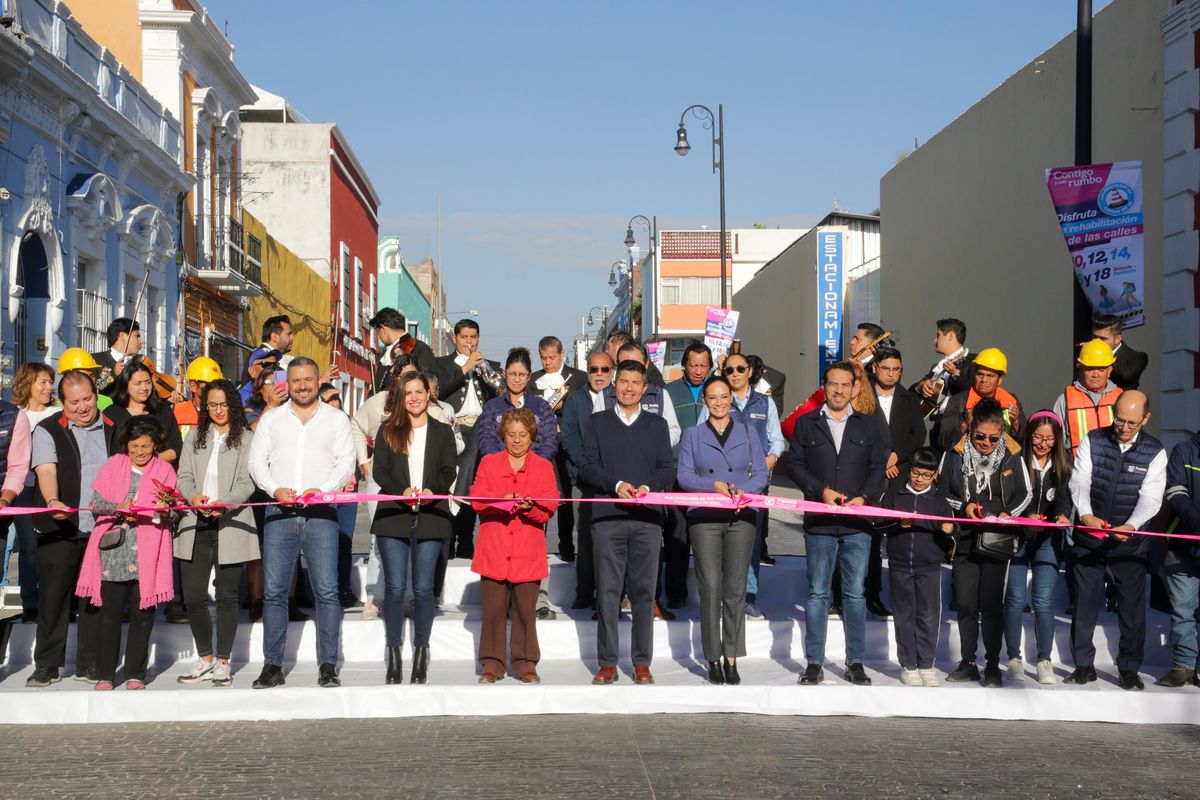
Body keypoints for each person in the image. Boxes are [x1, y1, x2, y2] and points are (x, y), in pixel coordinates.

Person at [247, 357, 356, 689]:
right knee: (275, 592)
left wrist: (321, 491)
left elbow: (346, 462)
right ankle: (272, 665)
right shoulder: (272, 420)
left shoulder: (336, 420)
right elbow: (256, 460)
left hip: (321, 513)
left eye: (309, 379)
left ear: (316, 381)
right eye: (296, 381)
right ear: (288, 383)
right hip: (279, 513)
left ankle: (327, 665)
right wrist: (273, 488)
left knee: (327, 591)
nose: (303, 386)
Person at [786, 361, 889, 686]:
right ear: (825, 386)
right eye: (833, 384)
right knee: (817, 594)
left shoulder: (868, 426)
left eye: (845, 385)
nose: (839, 390)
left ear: (855, 388)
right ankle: (814, 663)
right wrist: (820, 491)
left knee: (855, 594)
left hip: (858, 523)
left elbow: (877, 469)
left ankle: (855, 662)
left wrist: (866, 498)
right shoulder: (806, 424)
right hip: (819, 521)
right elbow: (795, 465)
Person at [580, 360, 674, 685]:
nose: (629, 388)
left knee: (644, 592)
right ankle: (607, 663)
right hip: (608, 518)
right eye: (624, 382)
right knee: (607, 591)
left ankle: (641, 663)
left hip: (647, 519)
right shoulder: (597, 423)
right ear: (614, 385)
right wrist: (615, 485)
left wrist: (648, 488)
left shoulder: (657, 425)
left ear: (645, 388)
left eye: (636, 383)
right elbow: (587, 467)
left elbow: (667, 468)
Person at [1065, 390, 1165, 691]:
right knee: (1084, 602)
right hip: (1090, 534)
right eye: (1119, 420)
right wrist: (1085, 514)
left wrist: (1132, 525)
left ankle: (1129, 668)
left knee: (1132, 610)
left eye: (1131, 423)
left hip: (1130, 541)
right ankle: (1083, 666)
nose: (1123, 427)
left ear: (1145, 419)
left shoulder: (1155, 451)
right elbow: (1079, 480)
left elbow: (1151, 498)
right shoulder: (1093, 439)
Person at [676, 375, 769, 685]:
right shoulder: (692, 434)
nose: (718, 403)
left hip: (742, 516)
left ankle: (732, 657)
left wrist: (744, 492)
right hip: (704, 516)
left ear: (732, 399)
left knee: (735, 589)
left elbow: (761, 473)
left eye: (724, 397)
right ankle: (712, 657)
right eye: (712, 397)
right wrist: (713, 487)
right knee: (711, 587)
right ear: (705, 400)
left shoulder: (749, 431)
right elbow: (685, 476)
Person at [25, 371, 115, 688]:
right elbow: (46, 470)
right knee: (53, 597)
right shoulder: (48, 430)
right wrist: (53, 501)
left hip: (102, 528)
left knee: (93, 599)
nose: (82, 407)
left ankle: (88, 663)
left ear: (96, 395)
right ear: (62, 403)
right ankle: (48, 665)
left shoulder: (113, 427)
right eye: (74, 402)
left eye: (87, 399)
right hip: (59, 527)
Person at [74, 416, 176, 690]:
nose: (140, 452)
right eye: (134, 446)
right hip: (113, 551)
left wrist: (165, 510)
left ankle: (135, 673)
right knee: (109, 616)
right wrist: (118, 506)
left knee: (143, 615)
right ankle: (105, 673)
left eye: (145, 446)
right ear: (126, 445)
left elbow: (172, 506)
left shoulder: (165, 469)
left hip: (148, 552)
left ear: (155, 444)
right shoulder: (113, 465)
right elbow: (94, 503)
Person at [370, 370, 458, 684]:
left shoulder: (442, 431)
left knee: (423, 589)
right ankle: (394, 654)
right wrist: (401, 489)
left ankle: (421, 652)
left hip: (432, 514)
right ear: (400, 398)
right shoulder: (387, 430)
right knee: (394, 588)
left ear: (428, 394)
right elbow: (379, 469)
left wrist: (434, 488)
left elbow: (449, 469)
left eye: (419, 391)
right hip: (394, 512)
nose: (415, 398)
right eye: (408, 393)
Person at [940, 398, 1033, 688]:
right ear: (970, 429)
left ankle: (992, 664)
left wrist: (1006, 515)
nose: (986, 443)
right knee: (967, 604)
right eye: (980, 436)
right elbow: (941, 492)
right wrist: (964, 506)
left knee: (991, 605)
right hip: (965, 538)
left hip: (996, 539)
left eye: (994, 438)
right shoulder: (954, 454)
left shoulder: (1012, 455)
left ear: (1002, 434)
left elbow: (1026, 495)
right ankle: (968, 661)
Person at [174, 379, 259, 687]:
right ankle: (205, 657)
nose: (219, 410)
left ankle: (223, 660)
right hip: (195, 524)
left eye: (224, 404)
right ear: (205, 406)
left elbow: (249, 482)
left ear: (233, 406)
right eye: (212, 405)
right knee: (194, 595)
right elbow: (183, 475)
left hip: (230, 521)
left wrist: (227, 503)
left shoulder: (247, 438)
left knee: (227, 595)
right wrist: (192, 496)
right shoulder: (195, 436)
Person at [471, 407, 560, 683]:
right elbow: (476, 500)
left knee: (525, 612)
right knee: (493, 611)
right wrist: (503, 499)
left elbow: (550, 508)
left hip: (527, 552)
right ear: (503, 436)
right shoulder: (489, 463)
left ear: (532, 436)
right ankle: (492, 664)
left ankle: (525, 663)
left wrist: (530, 507)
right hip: (494, 550)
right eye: (511, 434)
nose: (517, 440)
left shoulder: (544, 467)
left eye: (523, 434)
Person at [698, 351, 785, 618]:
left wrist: (768, 462)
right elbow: (700, 437)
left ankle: (747, 597)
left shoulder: (764, 403)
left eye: (740, 369)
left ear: (750, 371)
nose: (735, 374)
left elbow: (777, 440)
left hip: (754, 486)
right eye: (729, 370)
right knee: (721, 541)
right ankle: (723, 595)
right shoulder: (717, 401)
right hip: (722, 486)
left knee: (751, 542)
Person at [605, 341, 681, 619]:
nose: (630, 376)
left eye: (636, 364)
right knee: (616, 543)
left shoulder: (660, 394)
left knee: (650, 543)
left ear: (646, 367)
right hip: (616, 480)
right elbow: (597, 435)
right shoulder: (607, 395)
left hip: (650, 478)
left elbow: (673, 430)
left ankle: (650, 599)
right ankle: (620, 597)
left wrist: (652, 446)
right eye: (624, 365)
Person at [1002, 410, 1073, 685]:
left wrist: (1061, 516)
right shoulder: (1016, 460)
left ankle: (1044, 659)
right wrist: (1026, 515)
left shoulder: (1064, 462)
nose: (1043, 444)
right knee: (1015, 599)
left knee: (1043, 601)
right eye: (1038, 437)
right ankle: (1013, 657)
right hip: (1019, 536)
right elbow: (1009, 496)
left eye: (1049, 439)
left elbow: (1064, 497)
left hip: (1048, 539)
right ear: (1029, 435)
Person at [879, 447, 954, 687]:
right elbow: (878, 523)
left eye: (926, 475)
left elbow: (951, 537)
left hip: (929, 566)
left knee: (928, 616)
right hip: (900, 564)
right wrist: (897, 523)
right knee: (904, 616)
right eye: (915, 473)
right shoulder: (894, 494)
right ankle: (908, 665)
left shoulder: (940, 501)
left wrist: (950, 531)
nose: (919, 479)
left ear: (935, 477)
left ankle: (926, 665)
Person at [435, 319, 500, 559]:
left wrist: (485, 372)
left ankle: (466, 539)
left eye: (473, 337)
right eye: (464, 338)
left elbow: (499, 392)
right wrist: (465, 368)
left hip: (481, 431)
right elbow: (438, 390)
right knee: (452, 484)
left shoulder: (489, 365)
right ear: (455, 339)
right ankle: (450, 537)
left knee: (472, 484)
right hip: (453, 429)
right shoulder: (442, 364)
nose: (469, 342)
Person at [560, 351, 614, 610]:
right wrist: (589, 468)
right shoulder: (575, 400)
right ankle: (584, 591)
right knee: (585, 538)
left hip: (614, 481)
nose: (600, 374)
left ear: (612, 371)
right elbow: (569, 437)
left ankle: (612, 593)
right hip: (582, 480)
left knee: (611, 538)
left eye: (605, 369)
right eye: (594, 370)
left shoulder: (619, 397)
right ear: (588, 371)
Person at [531, 335, 587, 561]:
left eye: (552, 357)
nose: (548, 363)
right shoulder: (534, 380)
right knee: (540, 496)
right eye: (543, 358)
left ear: (562, 355)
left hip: (568, 444)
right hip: (540, 446)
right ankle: (537, 548)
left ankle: (566, 546)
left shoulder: (579, 378)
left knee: (566, 496)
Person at [10, 363, 56, 621]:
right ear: (28, 384)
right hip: (24, 489)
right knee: (29, 548)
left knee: (55, 546)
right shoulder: (16, 415)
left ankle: (59, 602)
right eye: (43, 382)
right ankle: (30, 604)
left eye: (51, 382)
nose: (49, 387)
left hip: (53, 488)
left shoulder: (59, 413)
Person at [1159, 427, 1200, 687]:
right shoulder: (1183, 451)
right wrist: (1197, 521)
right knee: (1182, 609)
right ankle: (1184, 665)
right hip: (1182, 545)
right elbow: (1176, 493)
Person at [936, 348, 1025, 454]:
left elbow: (1023, 441)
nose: (984, 380)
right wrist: (964, 424)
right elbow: (943, 441)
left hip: (1002, 466)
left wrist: (1015, 423)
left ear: (999, 380)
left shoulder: (1011, 401)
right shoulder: (958, 401)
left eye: (990, 376)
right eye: (980, 374)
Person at [1052, 339, 1123, 455]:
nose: (1095, 375)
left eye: (1101, 369)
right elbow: (1056, 442)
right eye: (1090, 369)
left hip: (1112, 468)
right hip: (1076, 469)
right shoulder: (1065, 400)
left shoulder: (1122, 398)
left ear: (1109, 371)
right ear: (1081, 369)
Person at [106, 360, 184, 464]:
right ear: (125, 385)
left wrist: (151, 461)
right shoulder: (112, 413)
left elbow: (177, 447)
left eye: (148, 382)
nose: (144, 388)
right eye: (138, 383)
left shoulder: (162, 410)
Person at [913, 317, 972, 423]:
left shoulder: (971, 361)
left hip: (959, 422)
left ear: (950, 336)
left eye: (938, 335)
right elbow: (911, 391)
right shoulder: (937, 367)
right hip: (938, 423)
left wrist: (955, 373)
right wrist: (921, 385)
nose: (935, 340)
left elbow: (971, 388)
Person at [370, 307, 437, 393]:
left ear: (383, 329)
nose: (378, 336)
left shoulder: (420, 349)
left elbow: (429, 386)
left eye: (378, 331)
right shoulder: (384, 354)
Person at [1092, 313, 1147, 390]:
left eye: (1103, 339)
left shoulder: (1137, 357)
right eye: (1094, 337)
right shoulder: (1089, 352)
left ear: (1118, 339)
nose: (1097, 342)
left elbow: (1125, 375)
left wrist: (1101, 354)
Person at [173, 357, 223, 440]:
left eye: (217, 386)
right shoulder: (177, 412)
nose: (214, 390)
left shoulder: (223, 413)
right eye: (209, 386)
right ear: (193, 386)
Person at [240, 314, 295, 387]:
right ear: (275, 337)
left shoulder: (265, 354)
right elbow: (277, 386)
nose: (292, 338)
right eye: (289, 334)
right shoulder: (264, 356)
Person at [91, 317, 141, 397]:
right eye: (137, 336)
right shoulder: (94, 360)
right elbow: (94, 389)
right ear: (121, 336)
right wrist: (114, 373)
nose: (140, 341)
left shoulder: (139, 362)